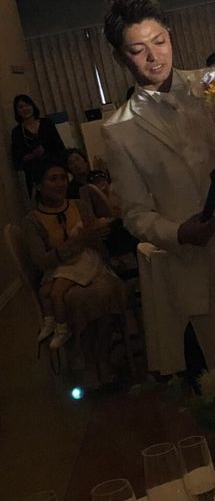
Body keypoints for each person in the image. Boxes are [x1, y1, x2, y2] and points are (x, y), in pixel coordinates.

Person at [101, 0, 215, 378]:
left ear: (170, 36)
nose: (153, 56)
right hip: (198, 266)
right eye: (138, 49)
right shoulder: (118, 130)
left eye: (159, 42)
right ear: (120, 56)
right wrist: (178, 233)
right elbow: (135, 213)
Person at [22, 157, 124, 385]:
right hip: (59, 273)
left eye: (62, 178)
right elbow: (41, 261)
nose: (60, 184)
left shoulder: (80, 206)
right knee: (77, 297)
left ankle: (103, 356)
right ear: (38, 185)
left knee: (105, 290)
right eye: (52, 179)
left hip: (92, 266)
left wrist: (104, 248)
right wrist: (77, 243)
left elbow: (96, 243)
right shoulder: (32, 221)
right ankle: (88, 361)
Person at [11, 94, 65, 195]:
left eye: (27, 105)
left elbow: (60, 147)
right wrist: (33, 155)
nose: (25, 109)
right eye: (21, 107)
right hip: (35, 176)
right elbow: (17, 160)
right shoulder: (17, 132)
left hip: (55, 170)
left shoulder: (47, 123)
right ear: (17, 111)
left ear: (33, 106)